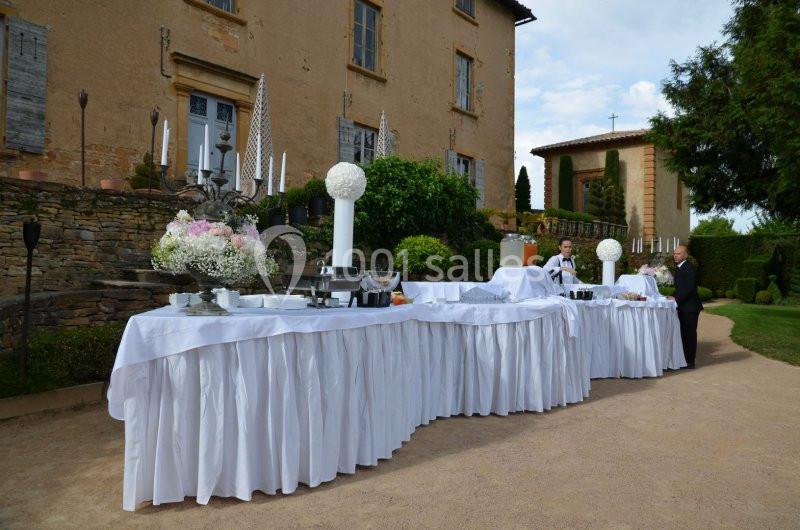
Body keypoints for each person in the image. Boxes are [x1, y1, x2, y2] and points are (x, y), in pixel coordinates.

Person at [670, 244, 703, 369]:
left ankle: (690, 362)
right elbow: (680, 288)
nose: (675, 255)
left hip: (690, 307)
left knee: (689, 334)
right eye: (674, 253)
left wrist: (677, 299)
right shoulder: (680, 267)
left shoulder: (688, 268)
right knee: (684, 333)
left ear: (685, 255)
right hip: (685, 306)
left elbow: (689, 288)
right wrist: (671, 295)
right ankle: (685, 359)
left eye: (678, 253)